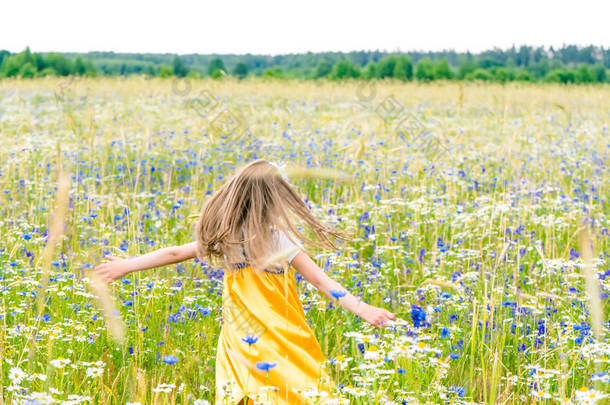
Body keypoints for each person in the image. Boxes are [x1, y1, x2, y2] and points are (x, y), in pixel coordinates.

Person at [94, 159, 396, 404]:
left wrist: (127, 265)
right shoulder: (278, 238)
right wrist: (362, 309)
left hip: (240, 334)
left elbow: (174, 253)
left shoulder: (226, 237)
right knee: (297, 388)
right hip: (282, 332)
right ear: (273, 200)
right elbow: (320, 281)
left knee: (243, 389)